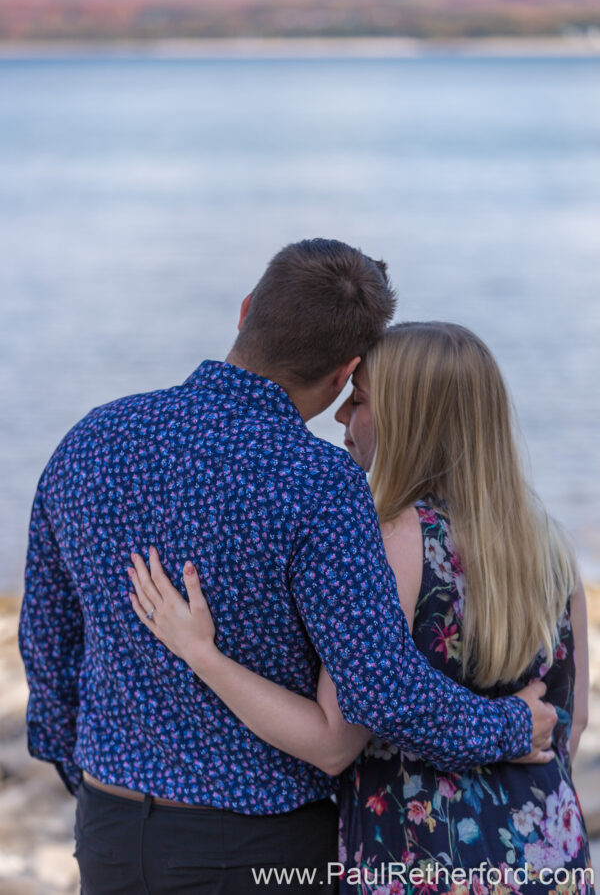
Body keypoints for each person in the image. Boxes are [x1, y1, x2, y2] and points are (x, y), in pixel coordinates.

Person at [20, 241, 555, 895]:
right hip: (256, 849)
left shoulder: (90, 440)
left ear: (246, 310)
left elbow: (46, 647)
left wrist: (95, 786)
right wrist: (508, 725)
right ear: (346, 374)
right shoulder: (321, 483)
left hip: (108, 832)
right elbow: (379, 689)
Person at [130, 322, 593, 894]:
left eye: (361, 399)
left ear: (410, 419)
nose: (341, 416)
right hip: (553, 852)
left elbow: (332, 740)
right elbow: (569, 729)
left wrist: (204, 655)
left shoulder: (392, 541)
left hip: (422, 862)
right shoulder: (551, 545)